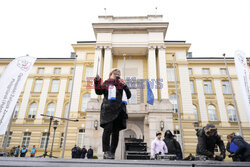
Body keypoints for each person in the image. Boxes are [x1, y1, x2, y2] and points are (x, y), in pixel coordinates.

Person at [94, 68, 131, 159]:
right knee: (107, 130)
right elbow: (98, 91)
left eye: (119, 73)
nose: (117, 74)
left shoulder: (121, 84)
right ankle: (106, 151)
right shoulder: (106, 83)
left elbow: (129, 95)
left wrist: (125, 86)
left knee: (116, 133)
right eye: (115, 73)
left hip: (119, 111)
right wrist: (97, 81)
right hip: (108, 110)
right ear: (111, 74)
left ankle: (112, 152)